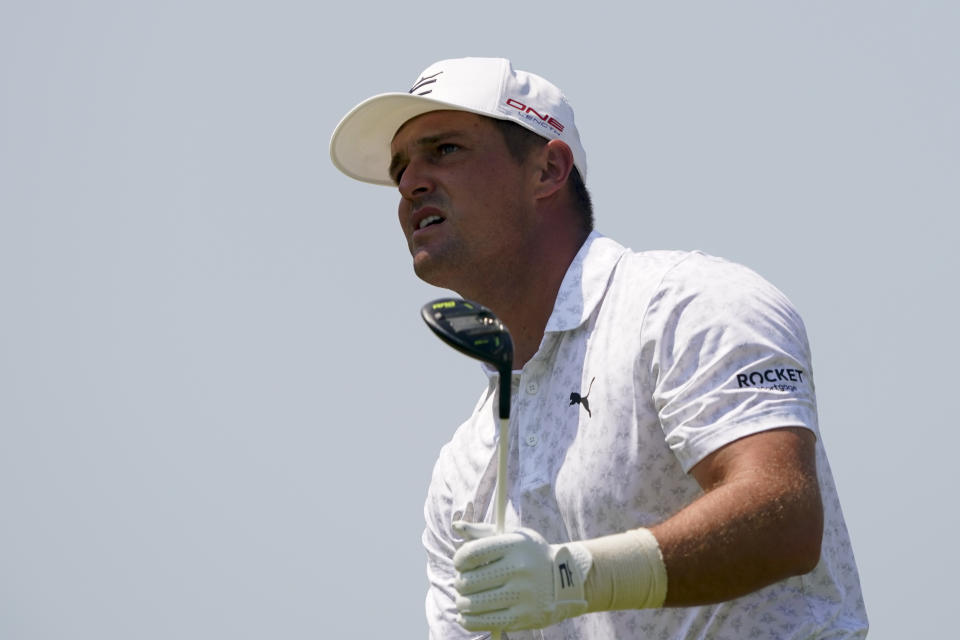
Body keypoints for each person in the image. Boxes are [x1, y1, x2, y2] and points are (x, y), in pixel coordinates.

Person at [330, 57, 868, 639]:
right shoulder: (462, 471)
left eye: (446, 150)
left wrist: (571, 577)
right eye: (402, 166)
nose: (410, 182)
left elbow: (783, 517)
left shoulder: (686, 304)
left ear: (548, 170)